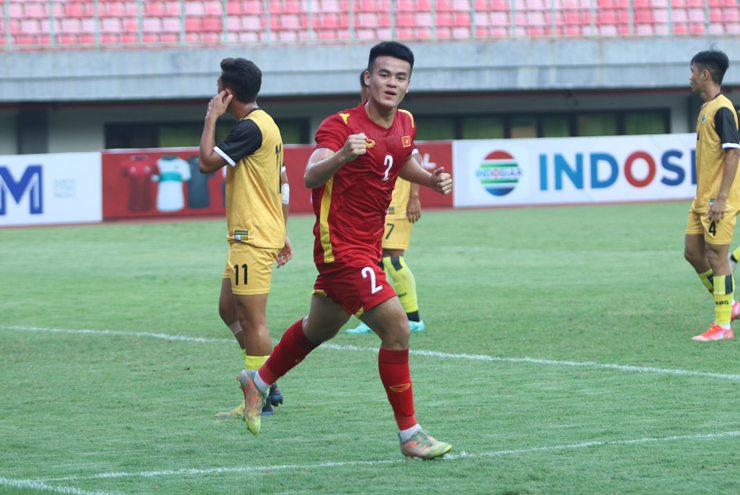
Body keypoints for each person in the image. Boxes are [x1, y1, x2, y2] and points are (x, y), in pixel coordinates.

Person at [237, 42, 453, 459]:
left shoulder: (405, 122)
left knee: (320, 328)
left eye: (401, 76)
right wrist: (340, 155)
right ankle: (410, 434)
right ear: (367, 78)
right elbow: (308, 174)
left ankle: (257, 382)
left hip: (367, 247)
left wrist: (428, 179)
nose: (392, 82)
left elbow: (398, 160)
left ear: (408, 85)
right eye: (384, 74)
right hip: (342, 248)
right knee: (398, 329)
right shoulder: (341, 125)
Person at [198, 57, 293, 417]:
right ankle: (267, 380)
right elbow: (282, 183)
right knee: (228, 309)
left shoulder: (250, 129)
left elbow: (206, 163)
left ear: (227, 92)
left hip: (251, 236)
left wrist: (210, 117)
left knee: (254, 321)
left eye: (218, 87)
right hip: (253, 234)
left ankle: (260, 398)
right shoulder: (266, 123)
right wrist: (281, 231)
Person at [347, 71, 425, 334]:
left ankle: (413, 318)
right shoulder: (361, 121)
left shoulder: (395, 120)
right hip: (378, 206)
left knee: (392, 260)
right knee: (374, 262)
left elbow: (415, 158)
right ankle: (376, 317)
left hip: (397, 203)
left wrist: (414, 197)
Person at [683, 48, 740, 341]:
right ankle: (728, 304)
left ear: (705, 74)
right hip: (701, 198)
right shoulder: (707, 108)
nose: (689, 77)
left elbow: (733, 154)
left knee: (717, 257)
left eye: (692, 71)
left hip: (718, 200)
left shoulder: (722, 108)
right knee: (692, 252)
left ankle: (723, 326)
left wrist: (722, 198)